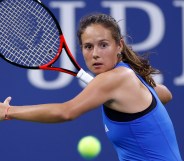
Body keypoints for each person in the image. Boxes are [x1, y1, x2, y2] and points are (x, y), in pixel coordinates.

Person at [0, 13, 182, 161]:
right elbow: (166, 94)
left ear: (119, 46)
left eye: (103, 45)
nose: (95, 54)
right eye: (88, 47)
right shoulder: (127, 75)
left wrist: (8, 111)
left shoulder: (116, 78)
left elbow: (66, 111)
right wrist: (141, 92)